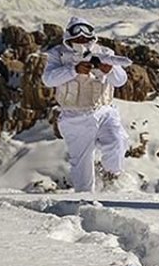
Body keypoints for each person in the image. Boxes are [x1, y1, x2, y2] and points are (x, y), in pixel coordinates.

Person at [41, 17, 131, 192]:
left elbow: (121, 81)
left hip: (104, 111)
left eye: (86, 37)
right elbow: (48, 79)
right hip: (74, 115)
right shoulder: (57, 54)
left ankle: (111, 176)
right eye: (77, 37)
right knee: (82, 166)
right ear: (69, 37)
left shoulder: (104, 52)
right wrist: (74, 70)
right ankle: (85, 204)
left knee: (117, 141)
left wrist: (110, 69)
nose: (82, 40)